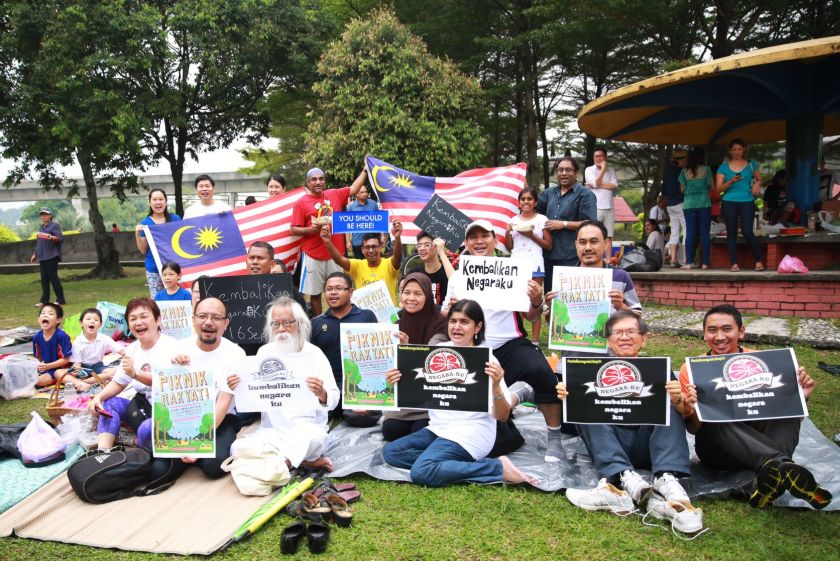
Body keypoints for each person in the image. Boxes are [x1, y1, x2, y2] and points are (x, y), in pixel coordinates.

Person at [676, 304, 832, 510]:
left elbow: (793, 420)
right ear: (704, 334)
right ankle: (782, 467)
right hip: (719, 452)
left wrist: (801, 398)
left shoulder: (763, 361)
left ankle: (773, 474)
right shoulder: (692, 369)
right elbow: (693, 429)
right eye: (712, 330)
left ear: (741, 331)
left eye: (727, 329)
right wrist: (695, 407)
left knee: (786, 414)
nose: (720, 336)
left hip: (763, 445)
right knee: (714, 415)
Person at [560, 311, 703, 534]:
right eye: (618, 332)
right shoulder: (590, 371)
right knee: (584, 405)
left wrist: (680, 402)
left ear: (643, 338)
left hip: (652, 447)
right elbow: (570, 420)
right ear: (608, 340)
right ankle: (625, 478)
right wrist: (568, 396)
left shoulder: (659, 371)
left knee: (669, 402)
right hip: (612, 444)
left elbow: (686, 418)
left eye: (631, 332)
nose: (624, 337)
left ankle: (668, 480)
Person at [442, 220, 564, 462]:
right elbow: (447, 316)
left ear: (495, 241)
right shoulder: (457, 277)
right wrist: (449, 309)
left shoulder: (512, 272)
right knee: (492, 434)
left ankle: (555, 438)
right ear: (466, 244)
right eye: (473, 237)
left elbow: (531, 316)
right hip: (474, 350)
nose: (479, 241)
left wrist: (537, 300)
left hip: (510, 345)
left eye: (484, 236)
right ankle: (517, 396)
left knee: (542, 372)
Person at [382, 299, 536, 487]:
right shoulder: (437, 351)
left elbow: (502, 416)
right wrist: (397, 379)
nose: (457, 327)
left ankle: (497, 468)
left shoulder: (486, 359)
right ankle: (447, 464)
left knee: (422, 471)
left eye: (464, 322)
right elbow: (415, 392)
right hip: (439, 428)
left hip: (471, 432)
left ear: (477, 327)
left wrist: (496, 386)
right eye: (453, 321)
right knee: (391, 453)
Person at [229, 297, 339, 472]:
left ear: (299, 323)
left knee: (315, 442)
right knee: (237, 447)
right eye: (275, 324)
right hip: (271, 431)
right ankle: (303, 461)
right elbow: (254, 394)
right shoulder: (264, 352)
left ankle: (277, 465)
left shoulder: (313, 353)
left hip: (305, 429)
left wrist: (321, 392)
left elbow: (333, 397)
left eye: (287, 323)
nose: (281, 329)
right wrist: (238, 386)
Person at [149, 297, 246, 485]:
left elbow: (223, 403)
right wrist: (177, 370)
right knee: (158, 472)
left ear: (226, 323)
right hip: (181, 419)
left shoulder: (235, 354)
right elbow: (166, 401)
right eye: (203, 316)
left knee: (214, 466)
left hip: (219, 418)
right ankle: (186, 456)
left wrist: (196, 443)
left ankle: (197, 456)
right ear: (193, 320)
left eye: (216, 317)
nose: (208, 322)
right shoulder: (177, 349)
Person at [88, 298, 179, 450]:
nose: (138, 322)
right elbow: (119, 382)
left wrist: (136, 374)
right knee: (109, 404)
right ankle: (103, 453)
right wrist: (98, 397)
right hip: (141, 406)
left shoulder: (173, 347)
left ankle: (136, 442)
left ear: (157, 320)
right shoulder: (132, 349)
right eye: (133, 319)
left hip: (167, 412)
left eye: (144, 316)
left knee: (148, 429)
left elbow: (166, 381)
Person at [290, 167, 368, 316]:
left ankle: (339, 318)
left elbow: (354, 188)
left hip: (335, 254)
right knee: (315, 293)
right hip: (313, 254)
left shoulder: (335, 194)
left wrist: (365, 171)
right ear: (308, 182)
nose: (318, 182)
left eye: (321, 179)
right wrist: (310, 230)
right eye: (314, 179)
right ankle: (320, 321)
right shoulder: (301, 202)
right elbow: (293, 229)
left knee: (340, 290)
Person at [381, 273, 449, 441]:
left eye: (418, 294)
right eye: (406, 292)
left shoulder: (440, 323)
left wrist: (407, 348)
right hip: (404, 395)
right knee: (390, 430)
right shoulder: (395, 323)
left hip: (429, 395)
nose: (411, 298)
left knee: (420, 432)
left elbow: (431, 358)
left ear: (427, 295)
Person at [309, 271, 379, 427]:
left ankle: (346, 408)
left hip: (359, 384)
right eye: (329, 289)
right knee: (309, 417)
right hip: (329, 385)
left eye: (339, 288)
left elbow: (378, 352)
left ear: (350, 292)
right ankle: (337, 407)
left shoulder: (366, 316)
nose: (333, 292)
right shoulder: (316, 323)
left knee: (362, 417)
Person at [536, 158, 597, 292]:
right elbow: (530, 204)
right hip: (548, 254)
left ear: (576, 173)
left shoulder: (585, 194)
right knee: (550, 296)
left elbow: (591, 223)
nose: (564, 173)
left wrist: (563, 224)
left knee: (568, 295)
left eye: (568, 170)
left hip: (571, 255)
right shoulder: (549, 193)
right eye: (560, 170)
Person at [505, 187, 552, 343]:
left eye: (529, 199)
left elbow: (548, 245)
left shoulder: (541, 220)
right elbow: (510, 247)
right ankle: (519, 337)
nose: (526, 202)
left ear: (535, 202)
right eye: (523, 199)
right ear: (519, 202)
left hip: (535, 266)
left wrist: (531, 235)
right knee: (517, 302)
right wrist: (507, 232)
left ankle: (535, 341)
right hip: (516, 266)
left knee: (534, 301)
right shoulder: (513, 220)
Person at [321, 221, 403, 306]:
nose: (371, 250)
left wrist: (397, 237)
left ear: (380, 248)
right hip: (365, 317)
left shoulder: (388, 264)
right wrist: (327, 243)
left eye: (374, 246)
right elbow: (339, 260)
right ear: (362, 250)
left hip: (388, 316)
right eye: (367, 247)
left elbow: (398, 257)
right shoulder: (358, 266)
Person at [716, 139, 765, 272]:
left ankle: (758, 260)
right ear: (730, 151)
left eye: (739, 149)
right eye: (734, 149)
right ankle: (734, 263)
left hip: (747, 201)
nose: (737, 152)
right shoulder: (724, 167)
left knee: (747, 231)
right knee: (731, 232)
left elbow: (760, 179)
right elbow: (718, 188)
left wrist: (757, 184)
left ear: (744, 150)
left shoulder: (751, 164)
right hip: (729, 201)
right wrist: (730, 181)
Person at [56, 308, 123, 391]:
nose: (92, 321)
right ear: (81, 323)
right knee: (58, 373)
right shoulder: (77, 342)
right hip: (82, 368)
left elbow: (122, 351)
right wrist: (76, 372)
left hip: (98, 367)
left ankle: (83, 383)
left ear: (100, 324)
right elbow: (77, 363)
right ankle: (82, 382)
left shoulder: (105, 338)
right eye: (88, 319)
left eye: (96, 320)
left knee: (114, 371)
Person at [136, 189, 181, 297]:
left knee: (176, 298)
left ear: (165, 201)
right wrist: (137, 234)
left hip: (174, 268)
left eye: (161, 199)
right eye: (154, 199)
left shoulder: (175, 219)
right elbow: (143, 250)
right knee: (158, 300)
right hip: (154, 269)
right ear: (149, 202)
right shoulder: (145, 223)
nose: (158, 202)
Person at [679, 148, 713, 269]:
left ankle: (688, 262)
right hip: (704, 203)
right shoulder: (707, 170)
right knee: (704, 233)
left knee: (690, 233)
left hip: (689, 204)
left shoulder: (684, 172)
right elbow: (711, 186)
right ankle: (705, 263)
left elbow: (682, 189)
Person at [407, 231, 454, 308]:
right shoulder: (414, 273)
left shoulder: (447, 273)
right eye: (419, 245)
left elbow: (455, 282)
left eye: (427, 245)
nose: (422, 248)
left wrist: (441, 252)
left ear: (436, 246)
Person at [31, 207, 66, 307]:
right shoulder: (41, 227)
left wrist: (52, 237)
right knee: (44, 279)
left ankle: (60, 299)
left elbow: (60, 238)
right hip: (42, 256)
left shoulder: (54, 225)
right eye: (42, 215)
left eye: (45, 214)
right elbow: (39, 242)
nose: (43, 216)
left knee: (53, 277)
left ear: (50, 216)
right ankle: (44, 301)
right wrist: (35, 254)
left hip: (52, 255)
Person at [32, 303, 72, 387]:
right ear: (38, 319)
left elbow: (65, 360)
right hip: (45, 369)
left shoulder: (62, 336)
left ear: (58, 320)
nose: (45, 315)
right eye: (43, 313)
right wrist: (40, 366)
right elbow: (38, 357)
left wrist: (47, 366)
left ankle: (60, 379)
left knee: (37, 382)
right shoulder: (36, 337)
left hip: (61, 370)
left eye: (50, 314)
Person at [584, 147, 619, 239]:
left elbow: (614, 185)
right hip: (595, 207)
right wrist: (603, 169)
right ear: (593, 158)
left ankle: (608, 254)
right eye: (596, 156)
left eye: (601, 156)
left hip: (609, 207)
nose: (598, 158)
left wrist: (596, 185)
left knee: (609, 236)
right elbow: (597, 183)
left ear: (605, 157)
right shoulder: (589, 170)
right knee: (595, 236)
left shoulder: (611, 170)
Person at [662, 149, 687, 268]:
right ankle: (686, 260)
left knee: (674, 232)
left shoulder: (667, 172)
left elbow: (663, 190)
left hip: (670, 204)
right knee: (687, 230)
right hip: (681, 203)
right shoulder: (682, 171)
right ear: (681, 160)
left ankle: (673, 259)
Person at [344, 184, 378, 259]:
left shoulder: (373, 204)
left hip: (372, 241)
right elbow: (347, 226)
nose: (365, 194)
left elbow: (379, 221)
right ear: (356, 194)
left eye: (366, 192)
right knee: (359, 265)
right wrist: (348, 242)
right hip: (357, 242)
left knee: (374, 264)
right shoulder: (351, 207)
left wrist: (382, 236)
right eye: (362, 192)